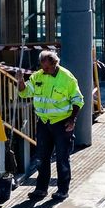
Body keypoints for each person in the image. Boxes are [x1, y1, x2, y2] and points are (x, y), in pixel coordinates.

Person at [17, 50, 84, 200]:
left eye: (46, 68)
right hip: (44, 123)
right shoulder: (38, 76)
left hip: (61, 123)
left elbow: (78, 100)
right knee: (42, 157)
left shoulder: (67, 78)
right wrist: (21, 81)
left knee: (62, 158)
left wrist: (72, 120)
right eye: (42, 67)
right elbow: (25, 92)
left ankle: (62, 190)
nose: (44, 70)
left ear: (54, 64)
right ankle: (41, 189)